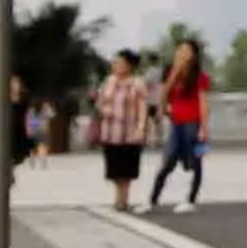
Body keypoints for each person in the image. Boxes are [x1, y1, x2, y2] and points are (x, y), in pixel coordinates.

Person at [148, 38, 212, 206]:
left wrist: (204, 128)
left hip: (194, 124)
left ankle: (191, 198)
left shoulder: (200, 76)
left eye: (187, 51)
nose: (183, 54)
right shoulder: (170, 73)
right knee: (168, 160)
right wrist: (174, 74)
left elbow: (203, 102)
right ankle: (153, 198)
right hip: (176, 123)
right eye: (180, 50)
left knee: (196, 161)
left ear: (194, 55)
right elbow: (163, 94)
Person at [90, 48, 154, 209]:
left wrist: (141, 128)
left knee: (127, 167)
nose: (116, 65)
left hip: (129, 131)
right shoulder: (108, 81)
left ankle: (122, 197)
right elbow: (99, 103)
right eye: (115, 62)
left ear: (129, 65)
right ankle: (120, 195)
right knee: (113, 167)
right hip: (110, 131)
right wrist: (103, 109)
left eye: (119, 62)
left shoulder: (138, 83)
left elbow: (143, 107)